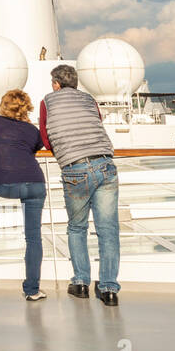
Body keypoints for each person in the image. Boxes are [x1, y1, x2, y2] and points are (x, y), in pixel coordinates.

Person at [40, 63, 120, 306]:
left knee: (77, 228)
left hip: (75, 168)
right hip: (105, 163)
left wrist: (65, 150)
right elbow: (97, 121)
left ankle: (81, 283)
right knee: (108, 230)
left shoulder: (48, 101)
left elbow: (45, 137)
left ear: (56, 83)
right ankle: (108, 290)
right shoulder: (89, 99)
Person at [0, 89, 47, 301]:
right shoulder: (32, 130)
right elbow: (34, 148)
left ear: (3, 105)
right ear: (27, 107)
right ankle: (32, 290)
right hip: (35, 182)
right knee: (33, 238)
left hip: (6, 184)